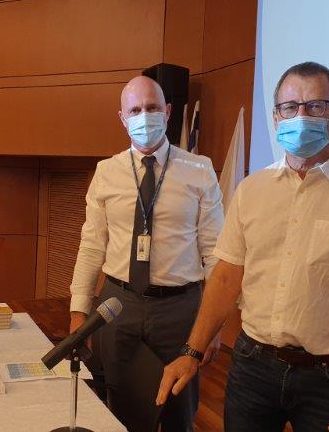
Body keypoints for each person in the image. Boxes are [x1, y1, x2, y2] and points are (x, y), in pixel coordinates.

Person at [156, 62, 329, 432]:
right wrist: (192, 350)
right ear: (276, 116)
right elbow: (227, 276)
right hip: (253, 365)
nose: (301, 116)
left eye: (316, 106)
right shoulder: (252, 189)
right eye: (290, 107)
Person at [69, 76, 224, 430]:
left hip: (179, 310)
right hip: (117, 306)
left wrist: (214, 324)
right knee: (119, 412)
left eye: (152, 107)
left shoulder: (200, 171)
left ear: (167, 112)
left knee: (178, 413)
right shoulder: (106, 172)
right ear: (122, 118)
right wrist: (79, 314)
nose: (144, 116)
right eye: (135, 109)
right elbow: (91, 245)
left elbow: (216, 253)